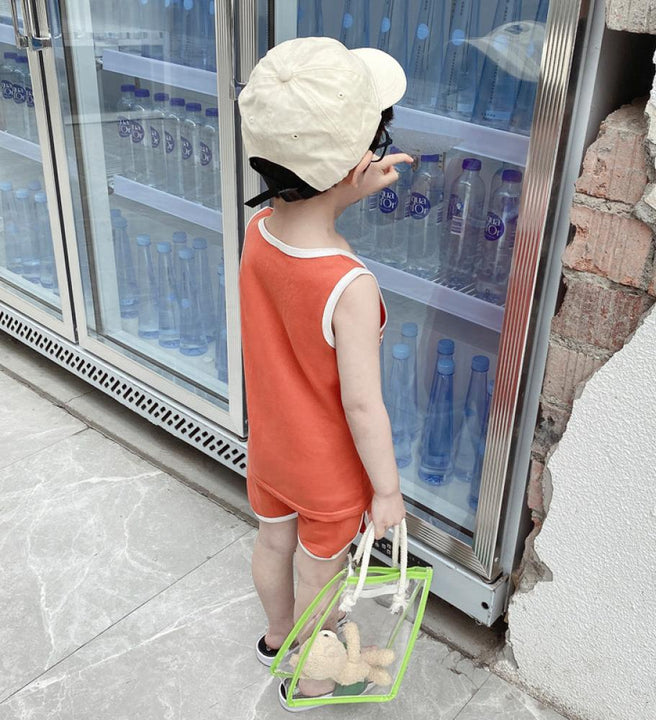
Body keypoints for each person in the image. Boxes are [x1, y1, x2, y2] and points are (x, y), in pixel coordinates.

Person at [237, 37, 411, 709]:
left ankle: (276, 637)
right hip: (327, 474)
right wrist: (386, 491)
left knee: (272, 543)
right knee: (321, 576)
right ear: (352, 166)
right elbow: (363, 407)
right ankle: (310, 680)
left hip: (270, 449)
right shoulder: (350, 286)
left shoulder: (258, 232)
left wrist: (346, 184)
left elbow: (305, 220)